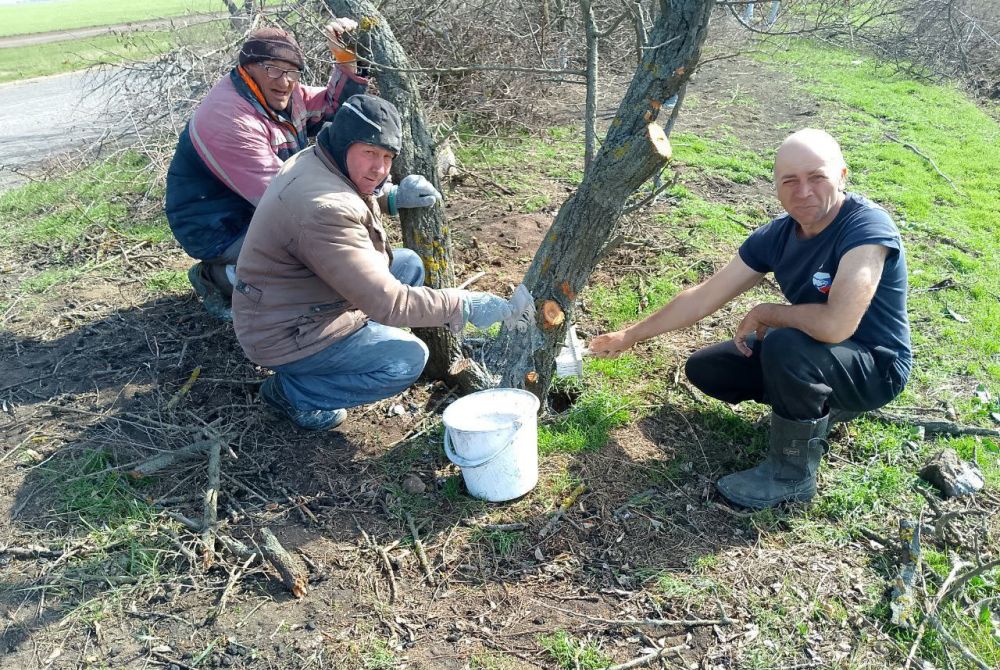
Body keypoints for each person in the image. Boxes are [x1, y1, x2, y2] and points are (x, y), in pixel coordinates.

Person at [589, 129, 911, 510]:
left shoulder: (866, 228)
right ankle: (818, 408)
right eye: (789, 180)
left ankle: (792, 476)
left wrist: (767, 313)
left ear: (842, 176)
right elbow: (703, 297)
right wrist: (629, 335)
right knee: (709, 368)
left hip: (875, 367)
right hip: (822, 353)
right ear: (776, 186)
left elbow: (836, 326)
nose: (803, 191)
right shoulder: (777, 235)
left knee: (785, 343)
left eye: (817, 177)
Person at [232, 94, 516, 431]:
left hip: (296, 300)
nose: (379, 168)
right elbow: (389, 302)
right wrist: (464, 304)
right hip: (284, 331)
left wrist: (389, 196)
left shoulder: (319, 158)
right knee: (405, 360)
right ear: (344, 144)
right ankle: (291, 393)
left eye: (387, 157)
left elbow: (351, 190)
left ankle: (353, 348)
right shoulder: (323, 208)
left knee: (408, 264)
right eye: (370, 153)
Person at [166, 21, 381, 321]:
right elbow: (285, 201)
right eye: (273, 69)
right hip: (216, 225)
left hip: (253, 206)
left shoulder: (283, 94)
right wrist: (379, 200)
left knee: (320, 247)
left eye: (292, 71)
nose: (285, 81)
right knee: (301, 262)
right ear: (248, 67)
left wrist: (346, 61)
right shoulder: (230, 120)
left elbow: (334, 109)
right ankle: (221, 276)